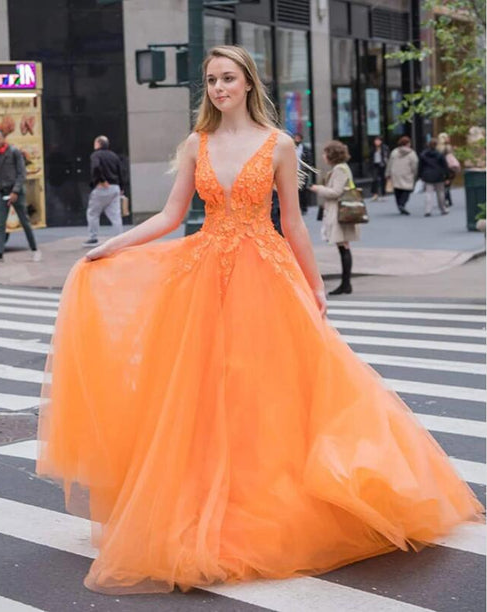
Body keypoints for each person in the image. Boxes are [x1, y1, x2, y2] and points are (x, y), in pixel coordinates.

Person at [37, 45, 482, 595]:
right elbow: (172, 217)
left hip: (265, 276)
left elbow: (292, 223)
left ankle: (282, 501)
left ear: (247, 82)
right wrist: (109, 246)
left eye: (227, 78)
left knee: (269, 393)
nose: (218, 88)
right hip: (203, 278)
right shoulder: (195, 143)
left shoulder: (279, 144)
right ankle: (213, 504)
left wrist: (315, 285)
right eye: (210, 81)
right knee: (204, 395)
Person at [310, 141, 359, 295]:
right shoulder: (341, 168)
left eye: (325, 153)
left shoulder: (339, 169)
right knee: (343, 247)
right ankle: (346, 284)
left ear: (332, 155)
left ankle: (346, 284)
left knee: (344, 247)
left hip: (341, 213)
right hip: (342, 212)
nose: (323, 156)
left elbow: (336, 192)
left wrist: (318, 189)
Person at [0, 129, 41, 263]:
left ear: (4, 139)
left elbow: (21, 173)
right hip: (2, 191)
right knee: (0, 223)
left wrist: (15, 191)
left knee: (24, 221)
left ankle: (35, 249)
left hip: (16, 192)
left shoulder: (14, 152)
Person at [83, 135, 124, 248]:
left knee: (93, 213)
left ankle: (93, 238)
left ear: (98, 144)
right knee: (115, 215)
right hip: (115, 187)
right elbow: (120, 171)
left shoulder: (96, 155)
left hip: (102, 187)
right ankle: (119, 238)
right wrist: (121, 187)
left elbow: (95, 167)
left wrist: (102, 180)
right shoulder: (114, 156)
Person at [386, 135, 419, 215]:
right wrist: (415, 173)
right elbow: (414, 164)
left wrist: (388, 173)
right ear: (407, 144)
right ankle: (402, 204)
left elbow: (390, 163)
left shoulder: (394, 152)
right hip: (407, 173)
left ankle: (399, 204)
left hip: (395, 173)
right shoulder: (412, 153)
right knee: (406, 190)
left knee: (397, 189)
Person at [419, 138, 450, 217]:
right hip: (439, 175)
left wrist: (420, 175)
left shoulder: (423, 155)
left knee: (428, 193)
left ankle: (427, 210)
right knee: (440, 193)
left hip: (427, 175)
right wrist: (447, 176)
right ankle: (443, 209)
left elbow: (420, 166)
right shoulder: (439, 155)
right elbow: (445, 166)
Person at [437, 132, 460, 207]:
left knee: (444, 185)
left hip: (441, 168)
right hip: (449, 167)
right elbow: (451, 156)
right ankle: (447, 199)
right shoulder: (447, 147)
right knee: (447, 184)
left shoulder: (438, 147)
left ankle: (447, 200)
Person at [293, 132, 312, 214]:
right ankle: (296, 208)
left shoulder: (305, 149)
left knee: (303, 191)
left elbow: (309, 160)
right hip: (292, 173)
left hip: (302, 172)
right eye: (295, 138)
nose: (297, 140)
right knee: (294, 192)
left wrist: (306, 171)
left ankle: (304, 208)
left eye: (298, 138)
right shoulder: (290, 148)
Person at [369, 136, 389, 200]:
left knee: (383, 180)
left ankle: (383, 194)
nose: (376, 142)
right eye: (375, 141)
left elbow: (387, 156)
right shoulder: (373, 148)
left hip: (382, 165)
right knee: (374, 180)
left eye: (378, 140)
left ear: (381, 141)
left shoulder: (384, 148)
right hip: (375, 165)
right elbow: (370, 157)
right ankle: (375, 194)